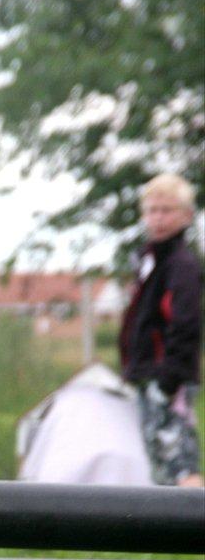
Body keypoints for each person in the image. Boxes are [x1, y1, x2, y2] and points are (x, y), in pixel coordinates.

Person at [119, 173, 203, 487]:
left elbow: (185, 326)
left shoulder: (182, 265)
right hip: (144, 373)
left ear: (186, 216)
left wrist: (168, 382)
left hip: (169, 378)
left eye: (166, 210)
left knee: (179, 459)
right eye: (152, 210)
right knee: (158, 463)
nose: (158, 218)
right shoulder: (146, 260)